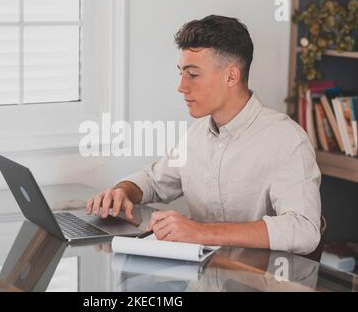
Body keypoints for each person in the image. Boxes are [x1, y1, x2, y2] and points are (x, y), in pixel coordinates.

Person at [86, 15, 321, 255]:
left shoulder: (286, 139)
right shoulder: (197, 135)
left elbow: (304, 230)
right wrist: (122, 191)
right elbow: (153, 180)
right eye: (181, 73)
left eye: (193, 74)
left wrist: (200, 232)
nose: (181, 87)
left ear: (231, 76)